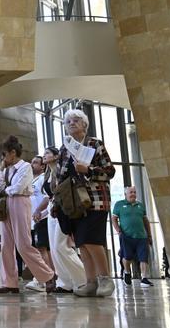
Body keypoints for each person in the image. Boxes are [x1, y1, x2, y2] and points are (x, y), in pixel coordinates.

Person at [54, 109, 116, 297]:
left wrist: (88, 169)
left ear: (84, 125)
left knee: (93, 241)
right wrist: (57, 203)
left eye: (76, 120)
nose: (71, 123)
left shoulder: (94, 143)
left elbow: (109, 170)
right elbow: (60, 178)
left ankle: (105, 279)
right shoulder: (65, 149)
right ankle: (91, 282)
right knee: (81, 243)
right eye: (68, 121)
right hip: (74, 203)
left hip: (96, 200)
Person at [0, 136, 55, 294]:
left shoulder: (25, 167)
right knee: (7, 245)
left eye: (4, 154)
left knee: (23, 244)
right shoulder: (6, 170)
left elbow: (18, 188)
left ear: (13, 153)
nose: (3, 158)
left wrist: (6, 189)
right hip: (5, 204)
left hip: (21, 202)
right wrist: (6, 184)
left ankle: (48, 276)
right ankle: (10, 282)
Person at [42, 146, 86, 293]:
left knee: (62, 246)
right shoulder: (47, 174)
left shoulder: (61, 171)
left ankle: (82, 279)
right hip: (52, 209)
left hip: (63, 208)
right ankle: (64, 282)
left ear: (56, 156)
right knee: (54, 248)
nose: (44, 155)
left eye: (47, 153)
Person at [112, 186, 154, 287]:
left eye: (135, 192)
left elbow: (145, 221)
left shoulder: (140, 205)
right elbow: (114, 219)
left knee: (143, 258)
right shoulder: (119, 205)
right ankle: (127, 272)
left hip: (141, 237)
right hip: (126, 236)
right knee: (127, 257)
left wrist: (149, 235)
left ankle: (144, 278)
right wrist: (118, 231)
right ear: (125, 194)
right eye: (131, 192)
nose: (133, 194)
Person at [27, 155, 52, 290]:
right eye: (31, 162)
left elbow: (47, 198)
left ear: (42, 166)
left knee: (42, 249)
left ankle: (44, 279)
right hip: (34, 221)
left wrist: (39, 212)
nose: (32, 165)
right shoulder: (33, 180)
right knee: (40, 249)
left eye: (35, 162)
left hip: (42, 219)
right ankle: (46, 278)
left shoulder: (43, 179)